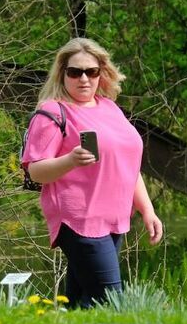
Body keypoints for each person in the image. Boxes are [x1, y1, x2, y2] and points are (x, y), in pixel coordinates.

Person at [20, 37, 164, 307]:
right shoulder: (52, 112)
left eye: (91, 71)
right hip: (78, 219)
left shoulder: (109, 108)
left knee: (80, 304)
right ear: (62, 74)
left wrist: (147, 210)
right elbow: (36, 171)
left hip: (113, 220)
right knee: (110, 300)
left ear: (101, 73)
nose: (83, 79)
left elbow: (128, 165)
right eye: (75, 72)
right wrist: (70, 160)